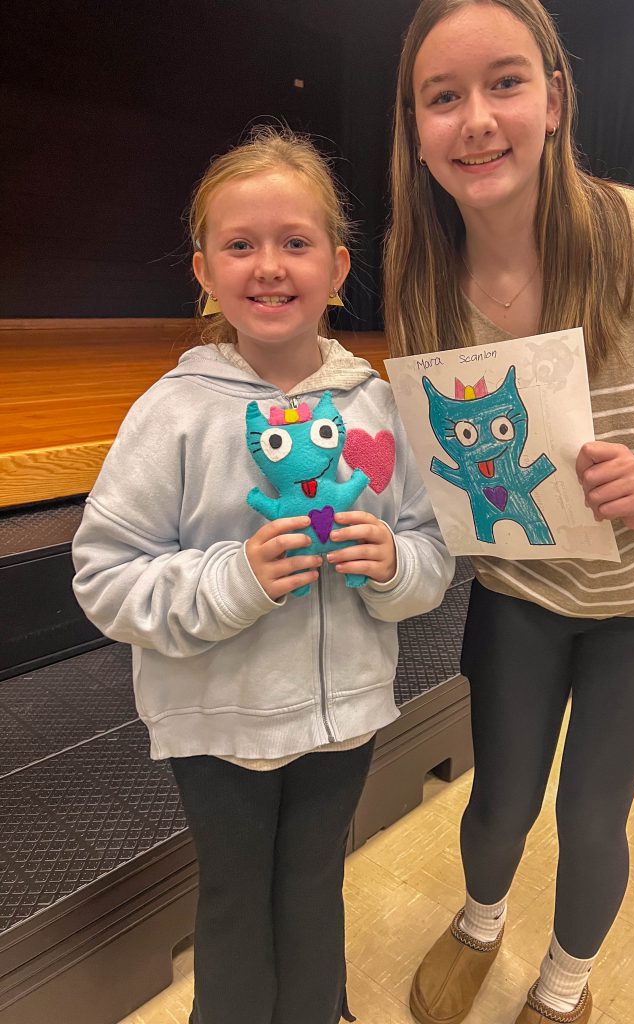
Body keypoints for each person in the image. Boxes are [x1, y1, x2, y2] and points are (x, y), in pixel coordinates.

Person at [383, 2, 634, 1023]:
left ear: (556, 96)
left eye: (504, 82)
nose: (475, 119)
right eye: (442, 95)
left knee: (592, 813)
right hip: (520, 591)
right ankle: (477, 919)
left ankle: (563, 984)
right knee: (499, 800)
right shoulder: (421, 273)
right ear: (414, 127)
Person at [71, 127, 453, 1024]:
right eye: (240, 245)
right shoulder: (170, 415)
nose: (268, 266)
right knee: (238, 905)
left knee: (317, 886)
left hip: (346, 717)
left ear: (338, 264)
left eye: (295, 242)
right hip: (219, 729)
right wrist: (236, 576)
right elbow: (105, 577)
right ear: (203, 271)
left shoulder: (380, 405)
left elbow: (433, 555)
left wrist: (392, 564)